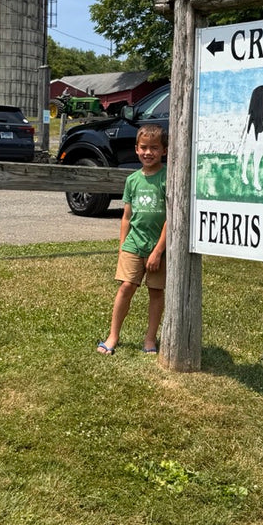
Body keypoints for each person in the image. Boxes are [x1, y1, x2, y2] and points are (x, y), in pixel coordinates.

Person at [97, 124, 167, 356]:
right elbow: (127, 216)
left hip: (160, 247)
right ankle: (113, 335)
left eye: (154, 148)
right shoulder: (132, 180)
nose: (149, 153)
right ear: (136, 149)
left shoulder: (168, 177)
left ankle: (149, 339)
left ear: (164, 151)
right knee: (126, 287)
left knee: (156, 292)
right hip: (133, 245)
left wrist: (158, 251)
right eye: (144, 147)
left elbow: (172, 218)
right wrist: (122, 246)